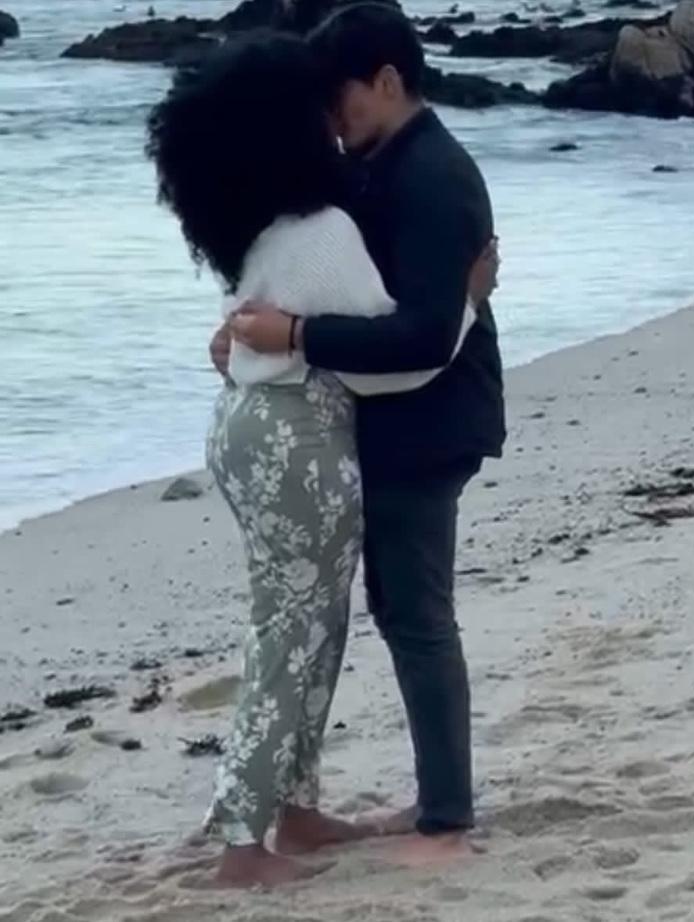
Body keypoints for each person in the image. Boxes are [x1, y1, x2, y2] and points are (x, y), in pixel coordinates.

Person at [147, 33, 497, 888]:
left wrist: (271, 338)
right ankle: (243, 842)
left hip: (249, 430)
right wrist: (469, 301)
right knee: (295, 632)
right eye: (318, 110)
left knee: (302, 625)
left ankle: (294, 812)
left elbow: (276, 326)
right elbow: (401, 359)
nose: (331, 123)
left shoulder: (271, 225)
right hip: (296, 442)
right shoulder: (326, 228)